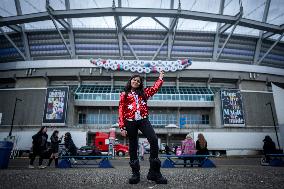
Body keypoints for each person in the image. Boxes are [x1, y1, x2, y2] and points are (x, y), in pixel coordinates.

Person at [118, 71, 167, 184]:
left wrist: (160, 78)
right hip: (129, 122)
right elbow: (121, 110)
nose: (136, 81)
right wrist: (122, 127)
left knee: (154, 140)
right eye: (134, 79)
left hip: (143, 120)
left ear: (140, 84)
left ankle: (154, 172)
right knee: (133, 145)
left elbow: (155, 88)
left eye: (138, 81)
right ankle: (135, 174)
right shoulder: (124, 94)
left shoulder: (144, 93)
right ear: (130, 81)